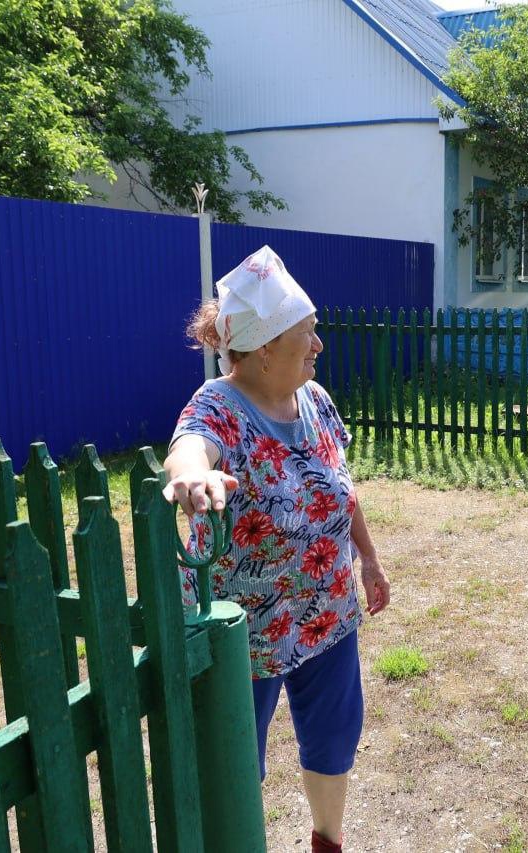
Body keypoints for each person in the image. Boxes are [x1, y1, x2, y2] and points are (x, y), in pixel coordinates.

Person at [162, 246, 390, 853]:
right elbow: (190, 445)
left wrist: (367, 558)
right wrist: (192, 476)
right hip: (244, 631)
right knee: (236, 759)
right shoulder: (219, 404)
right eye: (308, 333)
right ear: (264, 347)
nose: (319, 344)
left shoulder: (315, 400)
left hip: (326, 612)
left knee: (334, 737)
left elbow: (341, 484)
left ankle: (328, 842)